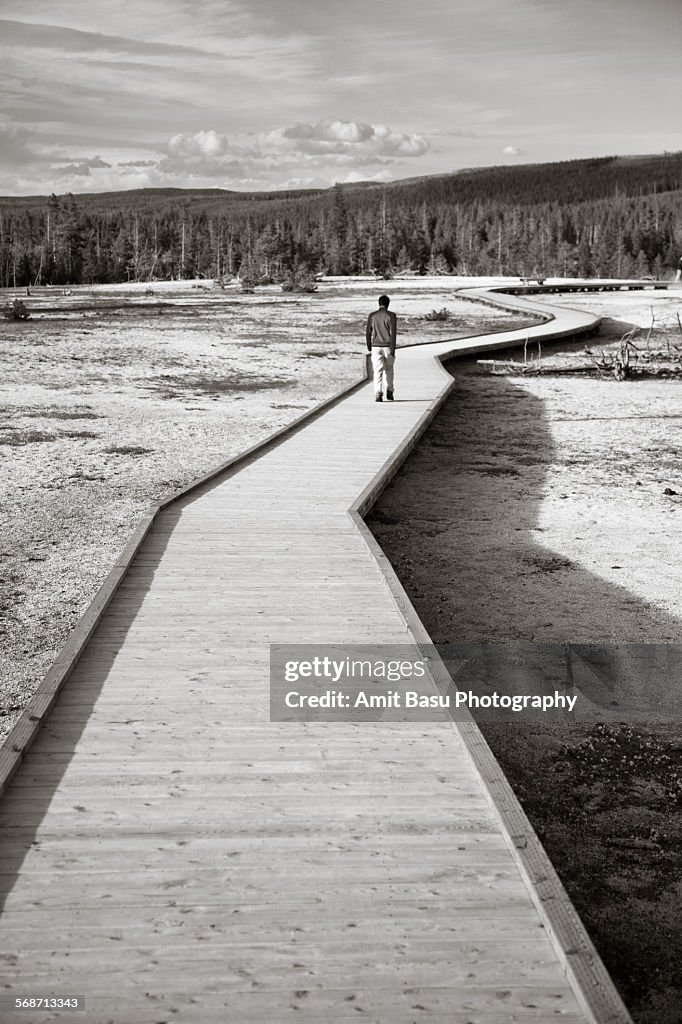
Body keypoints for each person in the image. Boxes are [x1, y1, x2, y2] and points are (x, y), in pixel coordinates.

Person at [366, 294, 397, 402]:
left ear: (379, 303)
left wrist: (369, 346)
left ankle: (378, 393)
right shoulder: (391, 316)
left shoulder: (372, 315)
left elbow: (368, 332)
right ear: (388, 304)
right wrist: (393, 349)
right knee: (389, 369)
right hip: (388, 346)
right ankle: (389, 391)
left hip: (375, 346)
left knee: (377, 371)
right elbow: (393, 334)